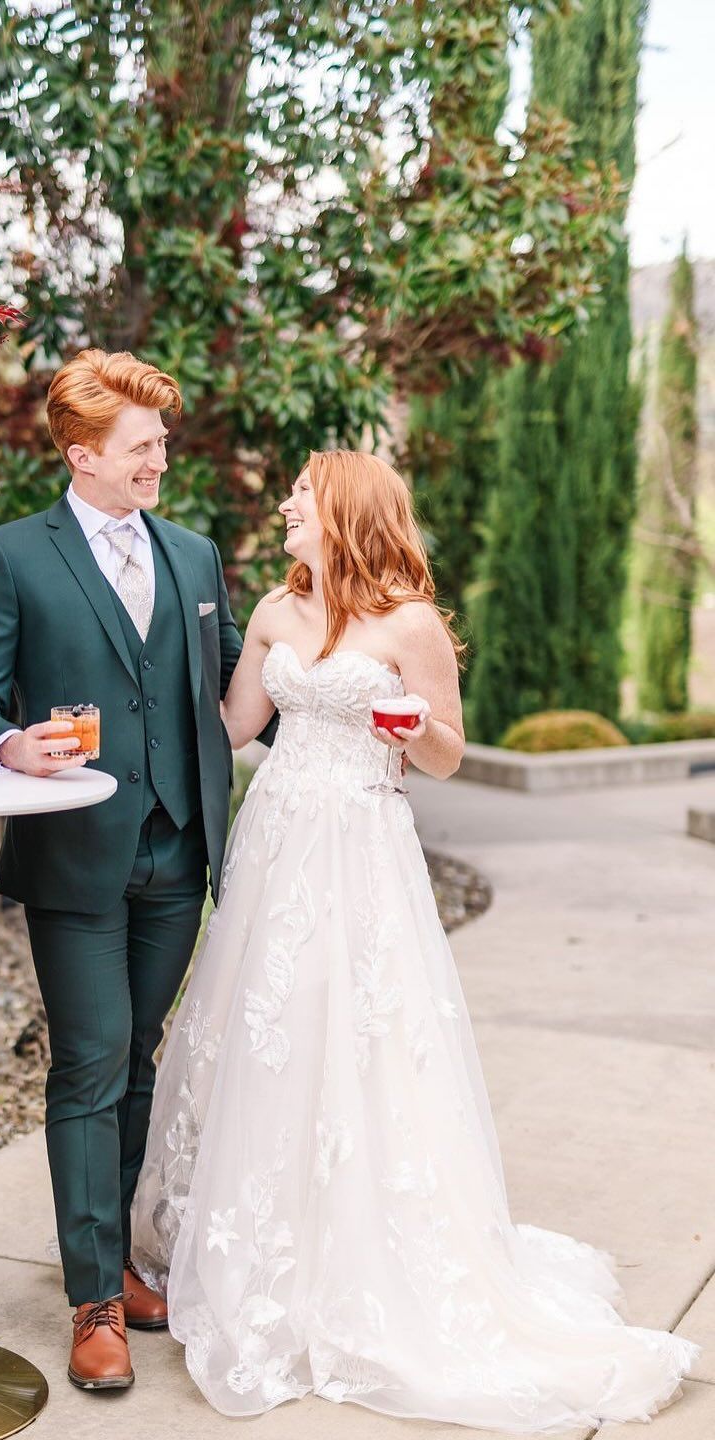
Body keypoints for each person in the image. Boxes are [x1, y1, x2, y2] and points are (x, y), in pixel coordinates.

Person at [130, 449, 699, 1428]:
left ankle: (353, 1250)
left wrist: (407, 727)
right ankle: (254, 1237)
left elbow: (447, 751)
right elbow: (229, 730)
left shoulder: (411, 623)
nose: (287, 507)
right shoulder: (273, 610)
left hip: (360, 850)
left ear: (348, 511)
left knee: (361, 1043)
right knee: (262, 1037)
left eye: (303, 496)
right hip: (275, 850)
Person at [0, 348, 257, 1392]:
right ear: (82, 456)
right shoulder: (11, 554)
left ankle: (111, 1256)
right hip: (75, 852)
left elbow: (232, 688)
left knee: (138, 1060)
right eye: (141, 448)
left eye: (161, 443)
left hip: (178, 848)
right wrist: (7, 746)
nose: (159, 461)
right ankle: (93, 1301)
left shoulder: (197, 556)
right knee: (90, 1060)